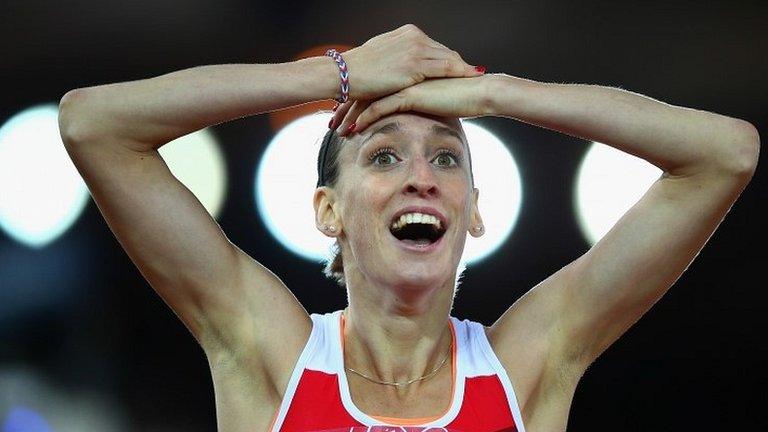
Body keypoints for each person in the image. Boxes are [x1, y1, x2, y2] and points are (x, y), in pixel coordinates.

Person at [57, 24, 759, 432]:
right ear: (328, 210)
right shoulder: (269, 352)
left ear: (476, 208)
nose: (421, 176)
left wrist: (496, 92)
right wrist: (337, 75)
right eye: (384, 154)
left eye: (447, 158)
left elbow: (725, 154)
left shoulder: (525, 368)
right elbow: (94, 125)